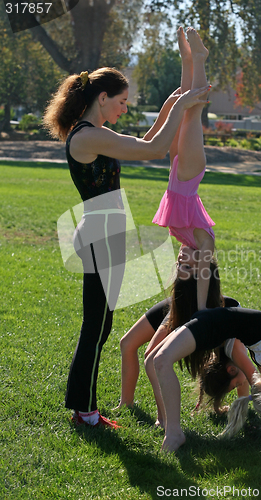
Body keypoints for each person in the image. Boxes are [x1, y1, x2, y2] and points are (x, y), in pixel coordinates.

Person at [43, 66, 209, 428]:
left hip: (105, 237)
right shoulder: (87, 137)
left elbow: (144, 142)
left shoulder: (95, 133)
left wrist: (169, 107)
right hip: (99, 239)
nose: (125, 108)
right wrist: (181, 105)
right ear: (101, 98)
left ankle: (82, 405)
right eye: (121, 101)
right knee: (96, 327)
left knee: (99, 326)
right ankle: (84, 412)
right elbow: (153, 149)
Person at [145, 306, 261, 454]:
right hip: (210, 321)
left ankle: (173, 432)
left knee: (158, 361)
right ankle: (173, 431)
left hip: (211, 325)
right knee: (154, 360)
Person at [152, 27, 215, 312]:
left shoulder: (182, 238)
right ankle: (200, 58)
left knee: (183, 104)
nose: (181, 262)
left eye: (179, 266)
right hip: (189, 175)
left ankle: (187, 61)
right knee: (192, 111)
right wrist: (201, 308)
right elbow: (204, 278)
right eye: (186, 268)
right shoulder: (205, 249)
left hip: (177, 171)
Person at [118, 292, 244, 426]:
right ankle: (129, 404)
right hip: (190, 301)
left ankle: (163, 420)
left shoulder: (226, 359)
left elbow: (235, 377)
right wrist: (243, 407)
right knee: (131, 345)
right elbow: (245, 376)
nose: (241, 383)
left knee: (152, 358)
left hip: (194, 306)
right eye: (236, 385)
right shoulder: (236, 345)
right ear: (231, 369)